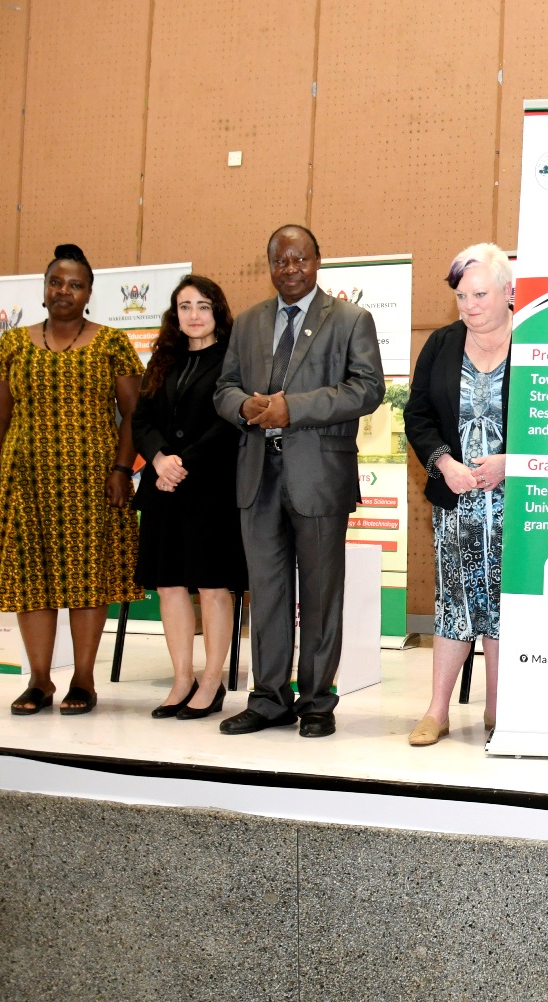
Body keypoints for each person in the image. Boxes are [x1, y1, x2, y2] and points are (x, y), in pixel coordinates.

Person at [214, 225, 384, 739]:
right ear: (269, 266)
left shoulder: (351, 319)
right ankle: (268, 698)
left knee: (319, 593)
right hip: (256, 477)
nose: (290, 269)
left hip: (319, 478)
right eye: (280, 261)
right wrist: (243, 407)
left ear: (317, 261)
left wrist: (295, 409)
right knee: (266, 592)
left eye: (300, 259)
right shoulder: (247, 323)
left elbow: (368, 389)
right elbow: (223, 387)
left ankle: (316, 701)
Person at [0, 243, 146, 716]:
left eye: (75, 284)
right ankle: (38, 680)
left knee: (90, 580)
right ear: (43, 289)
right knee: (32, 581)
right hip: (24, 482)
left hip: (92, 481)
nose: (64, 290)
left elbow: (134, 414)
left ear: (89, 293)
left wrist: (120, 469)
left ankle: (85, 680)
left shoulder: (112, 343)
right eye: (56, 282)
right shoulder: (12, 343)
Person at [402, 244, 513, 746]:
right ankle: (437, 711)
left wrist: (511, 461)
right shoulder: (442, 345)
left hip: (518, 503)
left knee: (505, 606)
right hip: (457, 503)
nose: (468, 305)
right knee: (453, 603)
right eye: (461, 296)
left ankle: (497, 709)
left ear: (508, 292)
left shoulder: (536, 343)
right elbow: (417, 415)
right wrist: (444, 462)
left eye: (480, 294)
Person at [132, 275, 247, 721]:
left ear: (217, 312)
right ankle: (182, 678)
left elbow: (231, 421)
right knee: (170, 585)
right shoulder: (163, 361)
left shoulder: (234, 360)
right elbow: (141, 419)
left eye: (203, 306)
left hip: (211, 488)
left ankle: (212, 680)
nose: (193, 315)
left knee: (213, 586)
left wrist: (182, 464)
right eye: (184, 306)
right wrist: (159, 459)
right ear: (174, 314)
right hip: (163, 487)